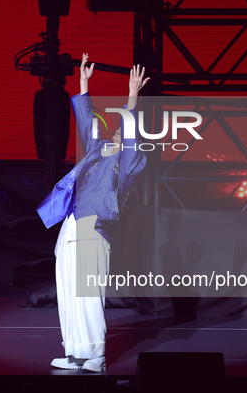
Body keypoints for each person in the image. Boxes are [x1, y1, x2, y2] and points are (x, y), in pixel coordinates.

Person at [37, 53, 149, 372]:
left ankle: (96, 355)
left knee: (88, 295)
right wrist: (83, 85)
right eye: (115, 131)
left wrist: (132, 95)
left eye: (123, 135)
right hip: (71, 226)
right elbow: (87, 126)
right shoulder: (97, 153)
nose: (117, 133)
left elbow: (130, 133)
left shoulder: (127, 164)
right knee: (69, 292)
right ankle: (74, 352)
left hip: (94, 228)